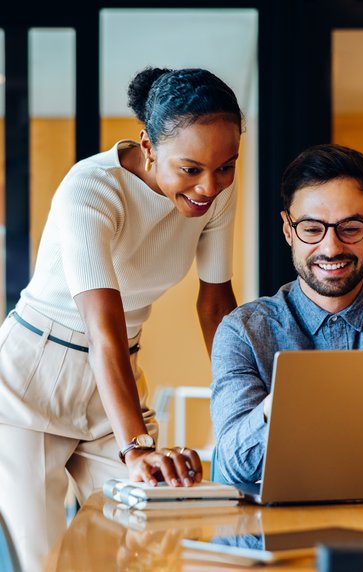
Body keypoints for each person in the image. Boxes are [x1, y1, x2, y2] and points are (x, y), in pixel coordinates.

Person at [0, 66, 243, 571]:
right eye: (191, 168)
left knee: (147, 545)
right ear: (148, 145)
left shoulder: (214, 190)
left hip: (117, 374)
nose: (209, 186)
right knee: (42, 561)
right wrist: (137, 446)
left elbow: (216, 304)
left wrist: (243, 403)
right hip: (31, 380)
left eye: (226, 166)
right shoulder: (90, 188)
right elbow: (101, 323)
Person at [210, 143, 363, 484]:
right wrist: (281, 407)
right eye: (311, 229)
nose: (331, 247)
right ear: (288, 230)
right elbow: (234, 465)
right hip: (274, 531)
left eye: (350, 228)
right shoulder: (243, 332)